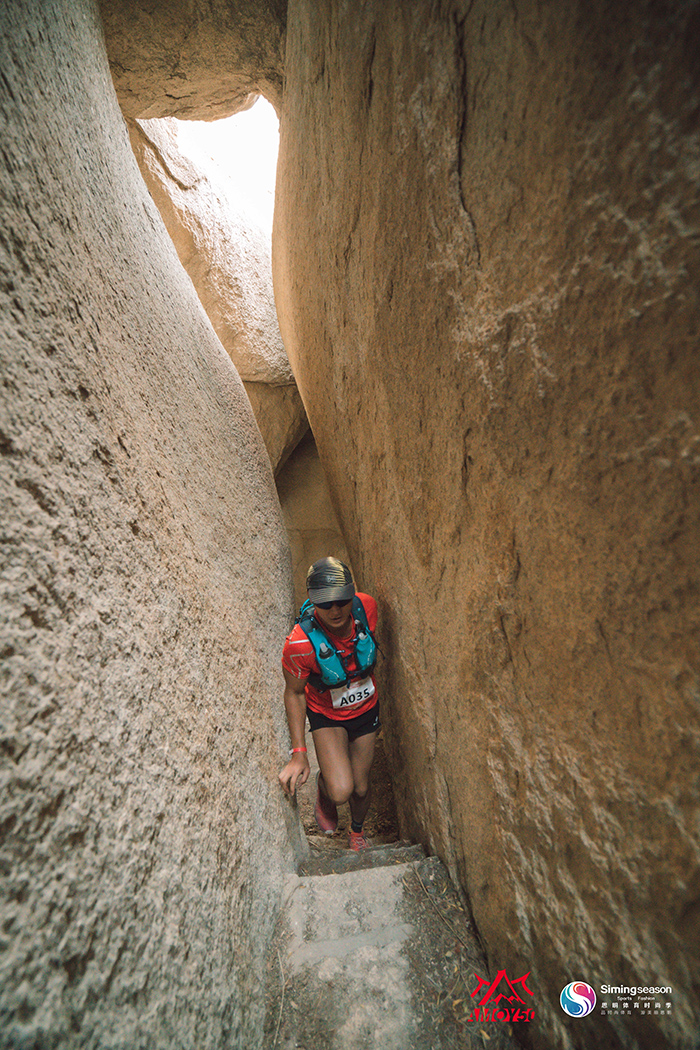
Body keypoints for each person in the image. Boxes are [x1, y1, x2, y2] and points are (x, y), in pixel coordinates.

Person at [278, 557, 380, 851]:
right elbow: (294, 693)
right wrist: (299, 753)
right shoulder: (299, 644)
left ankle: (357, 833)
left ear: (352, 594)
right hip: (328, 715)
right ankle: (325, 791)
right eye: (325, 604)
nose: (335, 610)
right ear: (313, 601)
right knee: (340, 790)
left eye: (341, 600)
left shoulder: (366, 608)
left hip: (366, 709)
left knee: (360, 788)